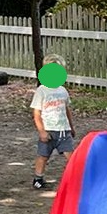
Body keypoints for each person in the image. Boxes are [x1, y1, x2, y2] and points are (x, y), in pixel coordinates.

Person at [30, 53, 75, 190]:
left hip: (63, 130)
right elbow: (37, 113)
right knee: (43, 156)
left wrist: (71, 127)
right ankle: (38, 178)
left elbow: (66, 109)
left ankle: (74, 178)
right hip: (49, 130)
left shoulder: (63, 91)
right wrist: (42, 131)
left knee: (70, 156)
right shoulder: (42, 91)